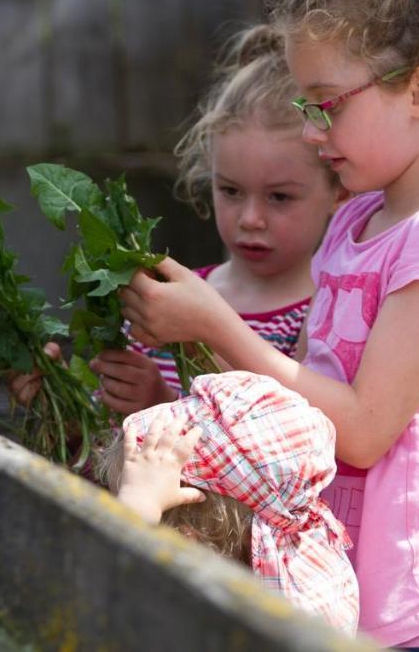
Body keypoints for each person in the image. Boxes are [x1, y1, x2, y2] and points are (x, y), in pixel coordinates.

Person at [117, 0, 419, 650]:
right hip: (333, 598)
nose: (313, 134)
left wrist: (216, 325)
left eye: (327, 105)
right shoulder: (356, 220)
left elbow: (363, 430)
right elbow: (293, 411)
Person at [92, 24, 345, 415]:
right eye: (230, 191)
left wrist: (162, 405)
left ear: (339, 193)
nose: (251, 219)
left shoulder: (324, 320)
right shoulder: (166, 299)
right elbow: (97, 436)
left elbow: (284, 444)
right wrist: (61, 403)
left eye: (279, 197)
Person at [97, 370, 360, 635]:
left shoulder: (198, 616)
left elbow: (101, 588)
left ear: (188, 535)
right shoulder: (315, 579)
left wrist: (138, 507)